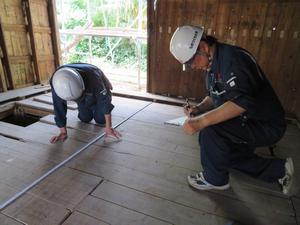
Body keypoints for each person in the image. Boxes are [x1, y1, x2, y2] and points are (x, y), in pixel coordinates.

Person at [169, 25, 295, 195]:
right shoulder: (212, 65)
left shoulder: (233, 59)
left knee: (210, 130)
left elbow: (241, 102)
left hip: (265, 124)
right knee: (220, 156)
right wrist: (198, 109)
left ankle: (215, 179)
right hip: (246, 121)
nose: (192, 66)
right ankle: (279, 169)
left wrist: (201, 121)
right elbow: (215, 96)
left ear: (203, 47)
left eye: (191, 61)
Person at [49, 63, 121, 144]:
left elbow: (104, 102)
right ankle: (90, 105)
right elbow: (58, 106)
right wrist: (63, 132)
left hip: (94, 79)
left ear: (82, 88)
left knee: (100, 120)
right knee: (84, 118)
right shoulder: (56, 82)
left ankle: (95, 106)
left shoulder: (94, 79)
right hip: (83, 92)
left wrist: (109, 128)